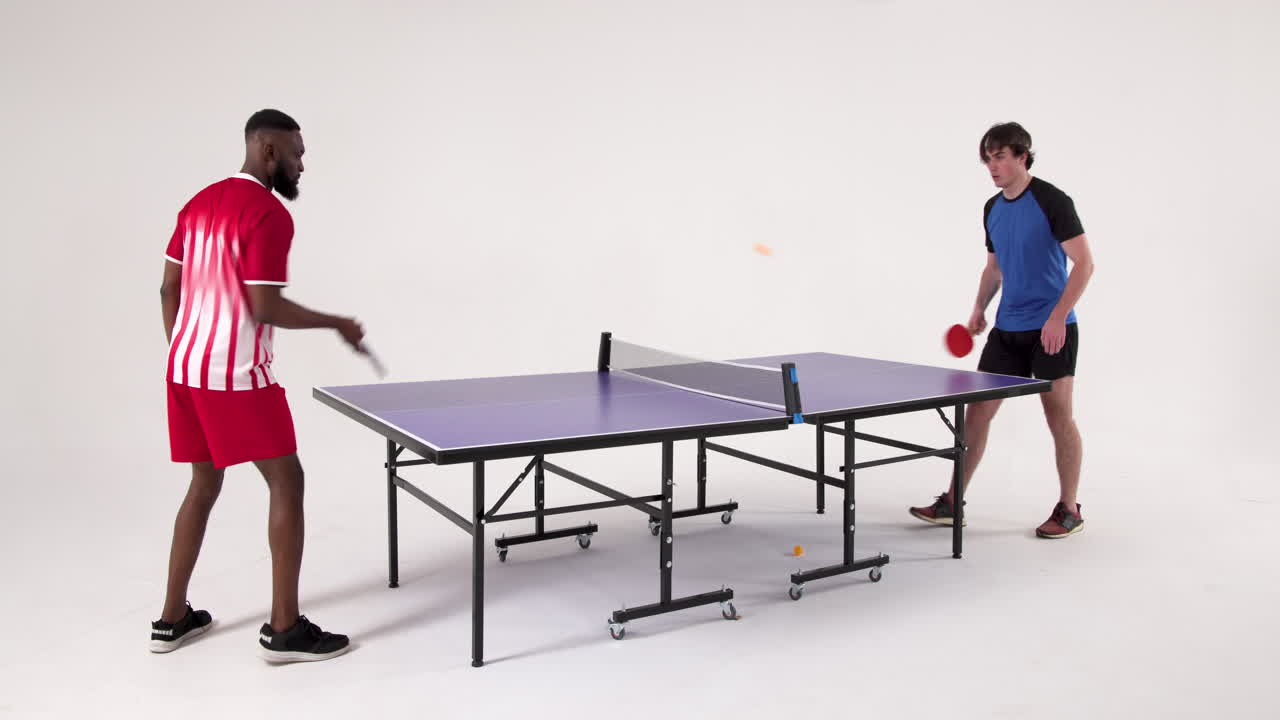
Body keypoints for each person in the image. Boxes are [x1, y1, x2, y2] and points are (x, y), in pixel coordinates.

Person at [151, 109, 364, 661]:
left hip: (185, 371)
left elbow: (167, 289)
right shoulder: (268, 214)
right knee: (287, 480)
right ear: (267, 149)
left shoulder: (196, 205)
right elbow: (264, 305)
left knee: (204, 484)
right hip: (236, 377)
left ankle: (172, 618)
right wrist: (336, 324)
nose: (301, 164)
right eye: (296, 153)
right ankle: (285, 629)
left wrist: (183, 346)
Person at [910, 122, 1095, 539]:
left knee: (1058, 415)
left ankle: (1069, 509)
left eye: (1000, 157)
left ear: (1022, 156)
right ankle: (953, 501)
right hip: (1008, 329)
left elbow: (1084, 263)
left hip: (1052, 329)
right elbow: (995, 268)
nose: (993, 166)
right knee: (978, 411)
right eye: (988, 159)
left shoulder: (1052, 201)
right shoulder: (992, 208)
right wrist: (978, 309)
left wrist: (1056, 316)